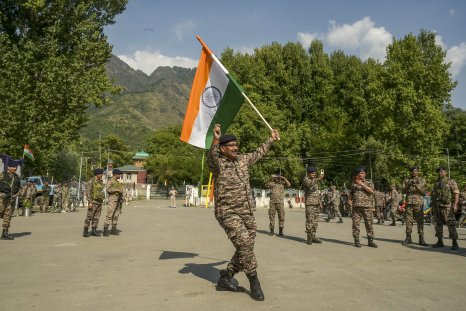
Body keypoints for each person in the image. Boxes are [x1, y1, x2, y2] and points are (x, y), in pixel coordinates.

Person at [208, 123, 279, 301]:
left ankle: (227, 276)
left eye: (236, 144)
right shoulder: (219, 163)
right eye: (231, 145)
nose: (235, 147)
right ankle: (254, 281)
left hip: (246, 211)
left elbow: (259, 152)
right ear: (223, 149)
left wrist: (271, 138)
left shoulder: (243, 159)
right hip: (227, 211)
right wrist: (216, 139)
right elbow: (211, 157)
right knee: (245, 243)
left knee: (246, 245)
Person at [431, 167, 460, 250]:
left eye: (442, 172)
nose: (440, 173)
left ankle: (455, 242)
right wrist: (432, 204)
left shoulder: (451, 181)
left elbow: (456, 193)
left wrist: (455, 204)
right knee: (437, 224)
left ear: (445, 172)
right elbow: (434, 194)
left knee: (450, 224)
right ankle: (440, 241)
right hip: (437, 206)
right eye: (439, 172)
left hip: (447, 206)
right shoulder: (436, 183)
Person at [349, 167, 377, 248]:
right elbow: (351, 193)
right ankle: (357, 240)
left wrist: (361, 184)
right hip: (356, 207)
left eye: (361, 173)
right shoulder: (354, 183)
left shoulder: (369, 182)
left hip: (367, 206)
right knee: (355, 224)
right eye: (358, 173)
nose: (360, 175)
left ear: (365, 174)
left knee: (369, 224)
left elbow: (371, 191)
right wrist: (349, 200)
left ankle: (370, 241)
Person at [402, 166, 428, 246]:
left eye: (415, 171)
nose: (414, 172)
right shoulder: (407, 180)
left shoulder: (422, 180)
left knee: (420, 221)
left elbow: (424, 192)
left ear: (418, 172)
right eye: (412, 171)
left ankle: (421, 239)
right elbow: (403, 191)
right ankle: (408, 237)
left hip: (418, 203)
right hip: (409, 203)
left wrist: (416, 186)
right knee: (408, 221)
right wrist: (408, 185)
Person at [303, 167, 325, 244]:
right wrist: (318, 178)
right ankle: (309, 237)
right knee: (310, 220)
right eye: (312, 173)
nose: (314, 174)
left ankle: (313, 236)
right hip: (310, 204)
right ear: (308, 173)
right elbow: (309, 184)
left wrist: (320, 202)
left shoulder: (315, 181)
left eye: (315, 173)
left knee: (315, 221)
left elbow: (317, 193)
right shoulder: (306, 179)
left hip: (316, 204)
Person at [0, 160, 21, 240]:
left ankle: (4, 233)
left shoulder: (17, 177)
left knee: (7, 216)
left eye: (16, 167)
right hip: (1, 198)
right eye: (13, 167)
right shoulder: (2, 174)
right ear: (8, 167)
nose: (15, 168)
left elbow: (20, 188)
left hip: (11, 199)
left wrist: (17, 194)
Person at [83, 168, 105, 237]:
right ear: (97, 174)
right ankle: (85, 231)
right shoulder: (91, 181)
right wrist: (90, 202)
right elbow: (88, 192)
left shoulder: (100, 181)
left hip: (99, 201)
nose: (102, 175)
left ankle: (94, 230)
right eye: (101, 174)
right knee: (89, 216)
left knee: (96, 217)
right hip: (93, 201)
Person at [103, 169, 124, 236]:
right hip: (112, 200)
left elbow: (121, 191)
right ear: (115, 174)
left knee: (116, 215)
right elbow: (108, 189)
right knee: (110, 214)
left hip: (118, 200)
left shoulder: (117, 182)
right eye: (119, 174)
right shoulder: (110, 181)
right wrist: (117, 190)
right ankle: (105, 230)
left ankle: (113, 229)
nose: (120, 175)